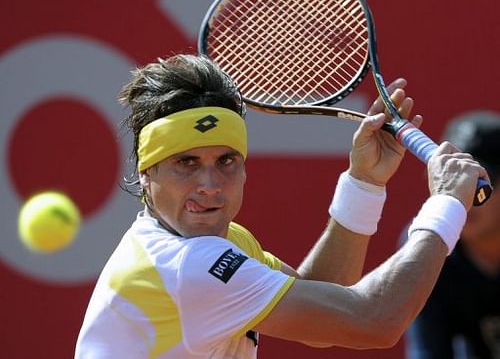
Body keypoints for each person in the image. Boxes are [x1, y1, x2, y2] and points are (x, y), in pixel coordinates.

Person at [75, 54, 488, 358]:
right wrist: (448, 204)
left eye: (226, 161)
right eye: (186, 164)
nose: (210, 185)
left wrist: (364, 183)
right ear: (147, 173)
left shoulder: (220, 243)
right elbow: (373, 321)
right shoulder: (191, 264)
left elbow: (323, 310)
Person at [405, 111, 500, 359]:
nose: (465, 198)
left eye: (480, 184)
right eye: (455, 181)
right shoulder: (427, 243)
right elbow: (428, 352)